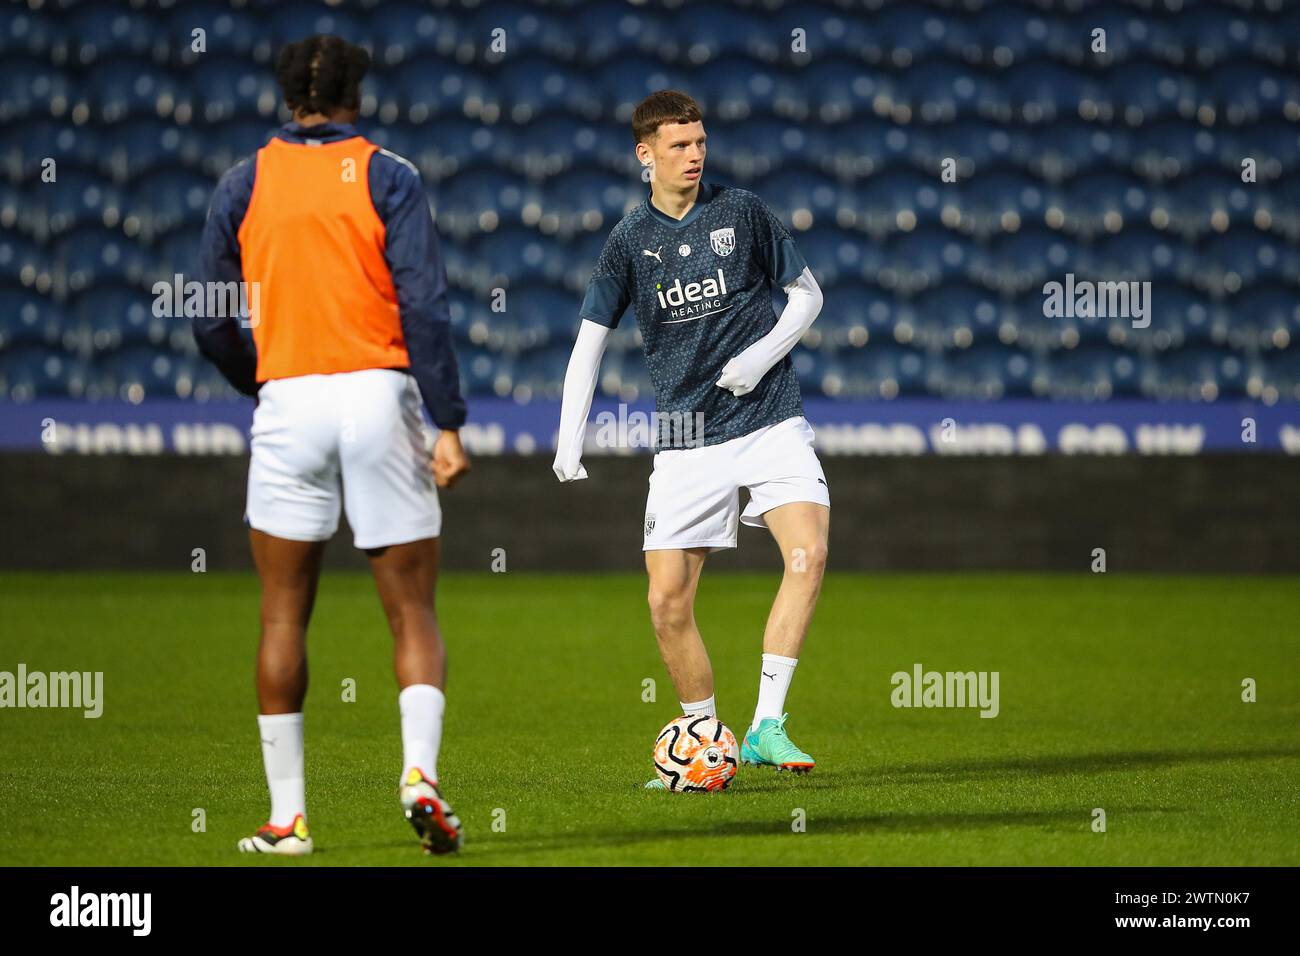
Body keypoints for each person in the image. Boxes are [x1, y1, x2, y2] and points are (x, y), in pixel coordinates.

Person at [194, 35, 470, 853]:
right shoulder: (391, 176)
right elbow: (425, 307)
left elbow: (210, 317)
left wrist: (266, 381)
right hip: (380, 395)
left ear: (288, 97)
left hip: (289, 401)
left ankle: (288, 819)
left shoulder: (242, 182)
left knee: (282, 616)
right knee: (411, 611)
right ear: (357, 96)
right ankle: (418, 775)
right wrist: (448, 419)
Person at [553, 90, 830, 787]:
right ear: (644, 155)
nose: (695, 154)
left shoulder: (741, 212)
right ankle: (704, 735)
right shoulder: (627, 243)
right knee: (666, 600)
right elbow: (589, 346)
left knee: (809, 555)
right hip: (684, 432)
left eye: (700, 141)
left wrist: (762, 357)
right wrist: (568, 439)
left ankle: (767, 724)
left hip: (770, 416)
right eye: (679, 145)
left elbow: (809, 295)